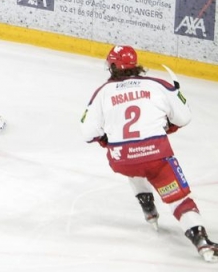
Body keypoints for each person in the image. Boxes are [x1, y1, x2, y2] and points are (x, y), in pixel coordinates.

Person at [80, 45, 218, 263]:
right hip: (156, 158)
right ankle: (201, 240)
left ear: (113, 66)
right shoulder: (157, 85)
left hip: (121, 160)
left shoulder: (102, 92)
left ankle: (146, 203)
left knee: (133, 161)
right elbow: (183, 118)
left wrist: (107, 140)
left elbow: (87, 133)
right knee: (178, 199)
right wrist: (167, 126)